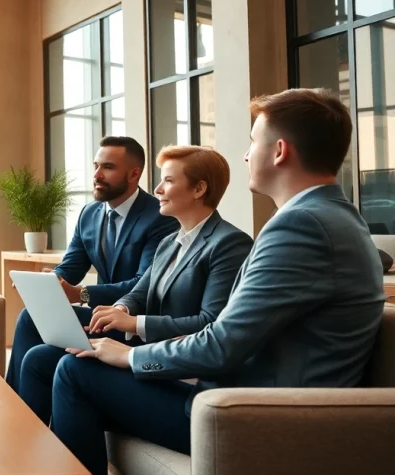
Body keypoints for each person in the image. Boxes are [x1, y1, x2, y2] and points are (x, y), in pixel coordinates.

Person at [51, 89, 386, 475]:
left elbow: (222, 342)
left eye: (252, 142)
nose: (246, 155)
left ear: (279, 151)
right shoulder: (331, 216)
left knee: (75, 371)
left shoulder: (301, 225)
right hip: (248, 397)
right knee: (71, 362)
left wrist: (129, 358)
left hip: (258, 416)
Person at [15, 145, 252, 425]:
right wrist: (120, 309)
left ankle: (70, 465)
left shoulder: (228, 243)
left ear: (199, 189)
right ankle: (24, 440)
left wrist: (134, 323)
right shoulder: (171, 241)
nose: (158, 189)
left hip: (176, 361)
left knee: (70, 364)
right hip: (149, 340)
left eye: (168, 180)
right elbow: (141, 291)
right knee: (39, 359)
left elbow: (209, 322)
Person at [6, 136, 177, 392]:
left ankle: (19, 405)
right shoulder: (89, 213)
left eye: (108, 167)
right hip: (98, 318)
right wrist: (51, 282)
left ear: (133, 174)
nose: (96, 174)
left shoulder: (160, 217)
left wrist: (81, 293)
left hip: (134, 324)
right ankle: (14, 402)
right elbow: (72, 266)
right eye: (96, 165)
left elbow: (144, 284)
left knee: (36, 339)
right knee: (31, 317)